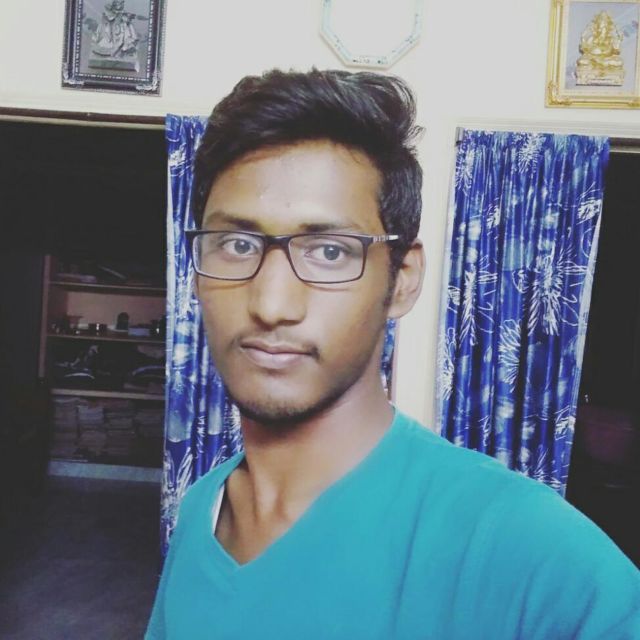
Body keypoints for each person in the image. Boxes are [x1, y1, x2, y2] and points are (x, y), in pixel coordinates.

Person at [146, 69, 640, 639]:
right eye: (237, 244)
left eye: (330, 251)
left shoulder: (526, 548)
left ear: (402, 280)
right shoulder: (202, 509)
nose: (271, 304)